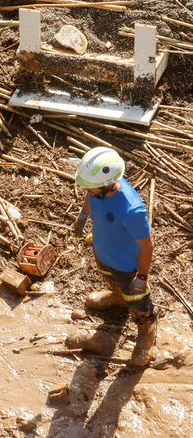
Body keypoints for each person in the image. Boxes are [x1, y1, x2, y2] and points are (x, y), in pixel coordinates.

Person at [67, 147, 157, 367]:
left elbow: (147, 246)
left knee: (138, 300)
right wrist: (83, 215)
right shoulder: (96, 189)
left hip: (127, 266)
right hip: (103, 251)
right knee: (109, 277)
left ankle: (147, 332)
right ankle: (118, 297)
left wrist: (142, 277)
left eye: (89, 187)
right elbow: (90, 198)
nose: (85, 190)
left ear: (107, 185)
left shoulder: (131, 210)